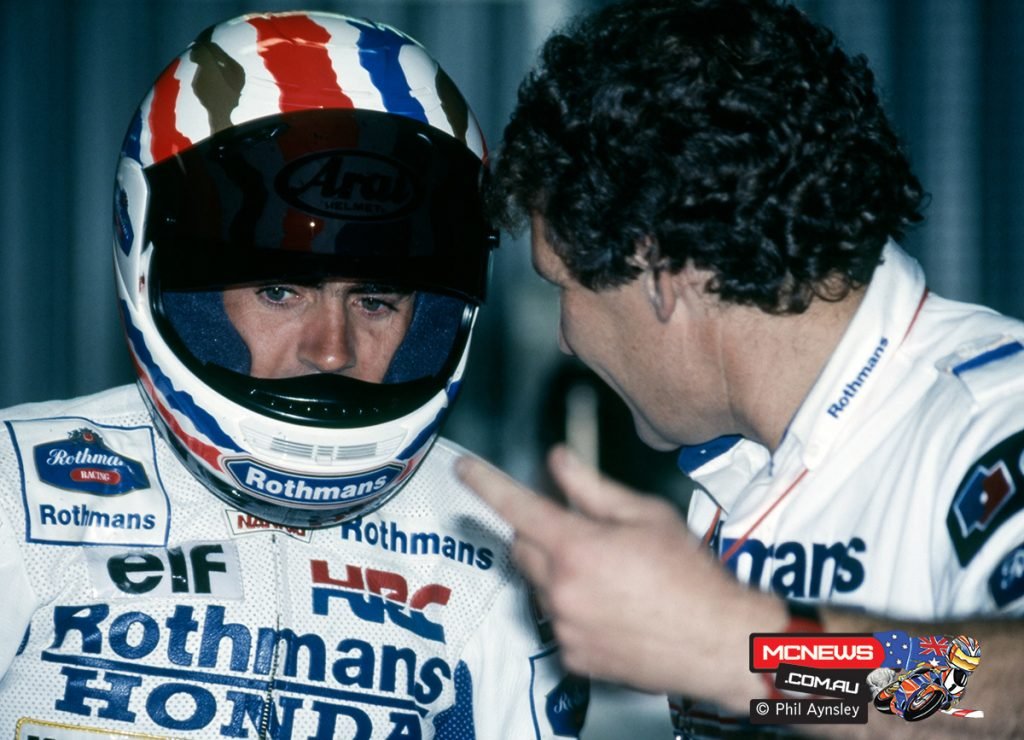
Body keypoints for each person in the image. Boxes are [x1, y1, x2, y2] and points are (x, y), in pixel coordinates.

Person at [0, 11, 587, 738]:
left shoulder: (498, 540)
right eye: (281, 291)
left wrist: (735, 660)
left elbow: (772, 692)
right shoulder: (16, 488)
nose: (331, 350)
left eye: (375, 300)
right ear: (171, 278)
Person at [456, 0, 1024, 736]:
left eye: (562, 287)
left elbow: (1009, 694)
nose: (564, 339)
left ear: (657, 268)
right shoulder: (743, 465)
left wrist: (732, 648)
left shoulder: (992, 414)